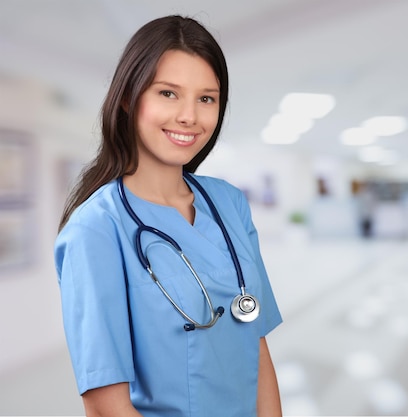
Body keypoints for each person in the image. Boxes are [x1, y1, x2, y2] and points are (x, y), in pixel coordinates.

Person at [54, 15, 283, 417]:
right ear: (129, 98)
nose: (189, 117)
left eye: (206, 98)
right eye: (168, 93)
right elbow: (106, 404)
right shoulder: (97, 228)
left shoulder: (229, 203)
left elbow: (256, 346)